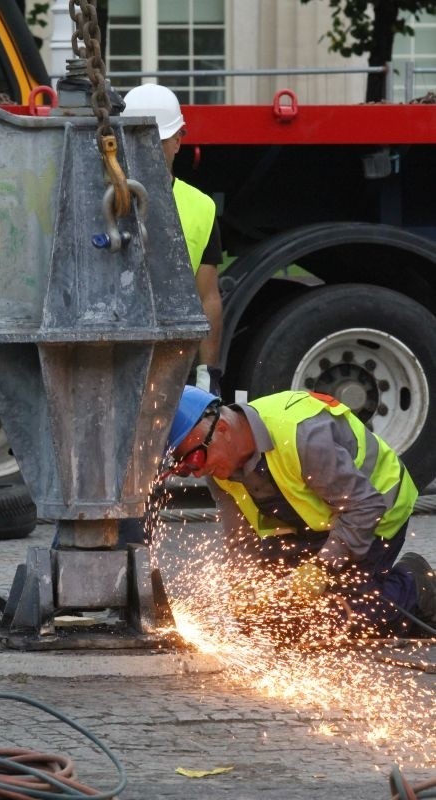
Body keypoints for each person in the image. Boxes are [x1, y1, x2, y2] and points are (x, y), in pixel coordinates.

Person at [164, 384, 436, 638]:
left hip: (373, 515)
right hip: (310, 525)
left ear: (221, 428)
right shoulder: (218, 468)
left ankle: (415, 584)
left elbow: (365, 507)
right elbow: (240, 536)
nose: (197, 472)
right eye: (184, 469)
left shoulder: (301, 436)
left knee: (335, 617)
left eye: (195, 458)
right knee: (267, 622)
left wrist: (322, 567)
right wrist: (244, 584)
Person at [121, 83, 223, 396]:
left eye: (158, 140)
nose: (148, 148)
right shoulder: (97, 197)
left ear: (178, 140)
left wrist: (208, 374)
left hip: (168, 361)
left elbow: (206, 297)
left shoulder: (200, 207)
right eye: (138, 139)